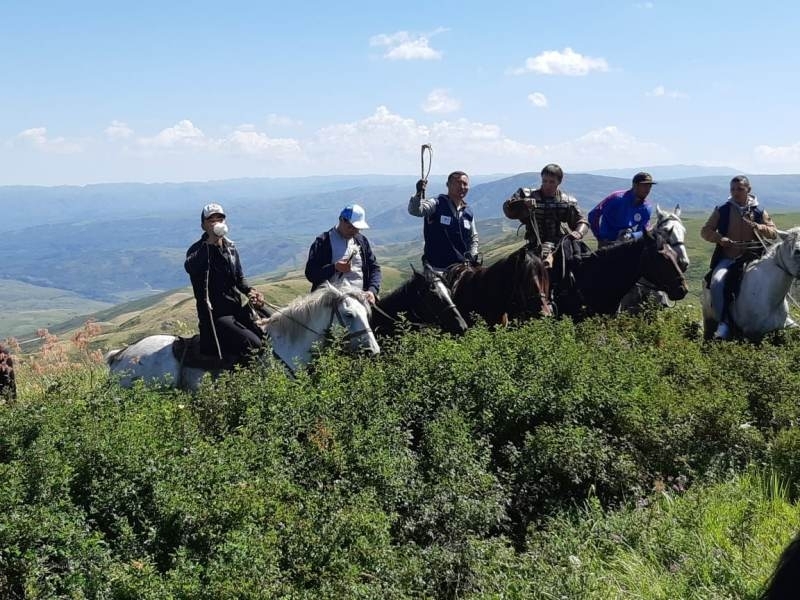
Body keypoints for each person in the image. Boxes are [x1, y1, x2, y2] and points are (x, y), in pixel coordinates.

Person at [184, 203, 266, 364]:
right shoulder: (197, 250)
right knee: (254, 345)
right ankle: (241, 377)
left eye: (220, 219)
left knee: (272, 329)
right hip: (216, 316)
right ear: (203, 226)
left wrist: (251, 291)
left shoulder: (230, 248)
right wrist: (209, 244)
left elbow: (239, 278)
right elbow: (189, 267)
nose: (216, 223)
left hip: (236, 309)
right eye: (211, 220)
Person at [701, 175, 777, 340]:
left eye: (740, 189)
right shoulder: (722, 210)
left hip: (755, 258)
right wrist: (720, 239)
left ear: (748, 190)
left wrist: (759, 227)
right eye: (733, 189)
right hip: (728, 257)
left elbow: (773, 233)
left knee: (775, 280)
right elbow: (705, 231)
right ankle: (723, 323)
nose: (735, 192)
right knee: (717, 282)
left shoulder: (759, 211)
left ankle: (779, 317)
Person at [502, 163, 589, 263]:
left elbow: (581, 221)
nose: (547, 185)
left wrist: (578, 232)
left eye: (552, 182)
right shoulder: (526, 194)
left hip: (558, 244)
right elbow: (508, 210)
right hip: (533, 244)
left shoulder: (566, 201)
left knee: (579, 261)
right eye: (545, 181)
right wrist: (523, 203)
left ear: (559, 182)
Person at [304, 204, 381, 304]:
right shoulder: (323, 242)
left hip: (360, 302)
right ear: (341, 220)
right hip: (330, 305)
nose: (354, 231)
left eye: (357, 228)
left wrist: (372, 291)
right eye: (350, 227)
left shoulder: (361, 241)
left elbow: (374, 268)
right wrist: (334, 268)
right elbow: (311, 274)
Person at [409, 171, 480, 273]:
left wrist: (473, 255)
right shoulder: (436, 203)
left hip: (460, 269)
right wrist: (418, 193)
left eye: (465, 184)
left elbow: (473, 237)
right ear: (448, 185)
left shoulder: (468, 212)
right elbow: (415, 210)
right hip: (436, 269)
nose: (462, 187)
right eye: (457, 183)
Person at [588, 172, 657, 248]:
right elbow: (593, 214)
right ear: (635, 185)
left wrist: (632, 236)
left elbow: (643, 230)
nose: (648, 189)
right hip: (607, 244)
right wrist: (599, 238)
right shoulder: (617, 198)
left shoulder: (646, 208)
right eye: (644, 186)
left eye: (649, 186)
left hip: (627, 245)